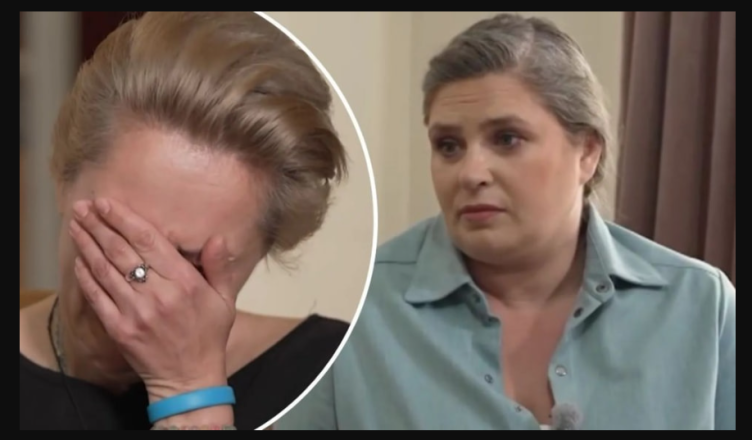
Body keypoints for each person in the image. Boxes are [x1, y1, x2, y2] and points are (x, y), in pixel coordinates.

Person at [275, 13, 736, 430]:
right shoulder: (359, 310)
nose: (471, 173)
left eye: (507, 139)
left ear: (587, 152)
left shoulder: (700, 307)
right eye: (449, 146)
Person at [19, 11, 354, 430]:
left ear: (264, 248)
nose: (143, 292)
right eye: (115, 235)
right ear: (61, 178)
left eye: (188, 264)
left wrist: (188, 391)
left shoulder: (338, 375)